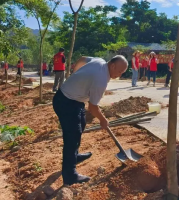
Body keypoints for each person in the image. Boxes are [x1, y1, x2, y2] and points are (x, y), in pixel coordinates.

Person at [52, 55, 128, 185]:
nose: (120, 75)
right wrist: (103, 120)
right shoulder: (101, 80)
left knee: (80, 124)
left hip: (74, 101)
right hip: (66, 103)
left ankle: (74, 156)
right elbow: (93, 108)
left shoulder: (100, 61)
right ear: (113, 65)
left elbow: (81, 58)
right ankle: (70, 175)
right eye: (120, 71)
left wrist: (76, 74)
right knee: (72, 137)